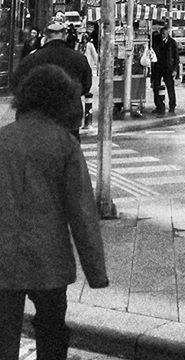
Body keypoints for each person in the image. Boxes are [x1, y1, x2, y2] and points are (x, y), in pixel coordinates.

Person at [0, 64, 108, 359]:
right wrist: (96, 272)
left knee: (3, 333)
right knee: (52, 330)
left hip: (3, 258)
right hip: (49, 260)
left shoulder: (3, 139)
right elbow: (83, 214)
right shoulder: (65, 145)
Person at [12, 21, 92, 141]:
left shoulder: (32, 59)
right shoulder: (79, 58)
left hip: (38, 117)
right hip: (69, 116)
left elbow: (17, 85)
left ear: (46, 37)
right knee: (69, 154)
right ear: (64, 36)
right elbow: (86, 86)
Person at [151, 25, 180, 114]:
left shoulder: (172, 43)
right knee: (156, 87)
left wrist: (175, 69)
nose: (162, 35)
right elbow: (152, 37)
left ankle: (172, 105)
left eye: (164, 34)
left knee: (170, 87)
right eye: (161, 34)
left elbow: (176, 57)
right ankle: (159, 105)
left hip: (168, 68)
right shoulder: (157, 41)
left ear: (168, 34)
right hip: (158, 67)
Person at [77, 32, 99, 128]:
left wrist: (97, 64)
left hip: (87, 66)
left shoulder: (89, 45)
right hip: (80, 67)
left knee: (87, 92)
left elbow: (94, 55)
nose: (84, 39)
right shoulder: (79, 45)